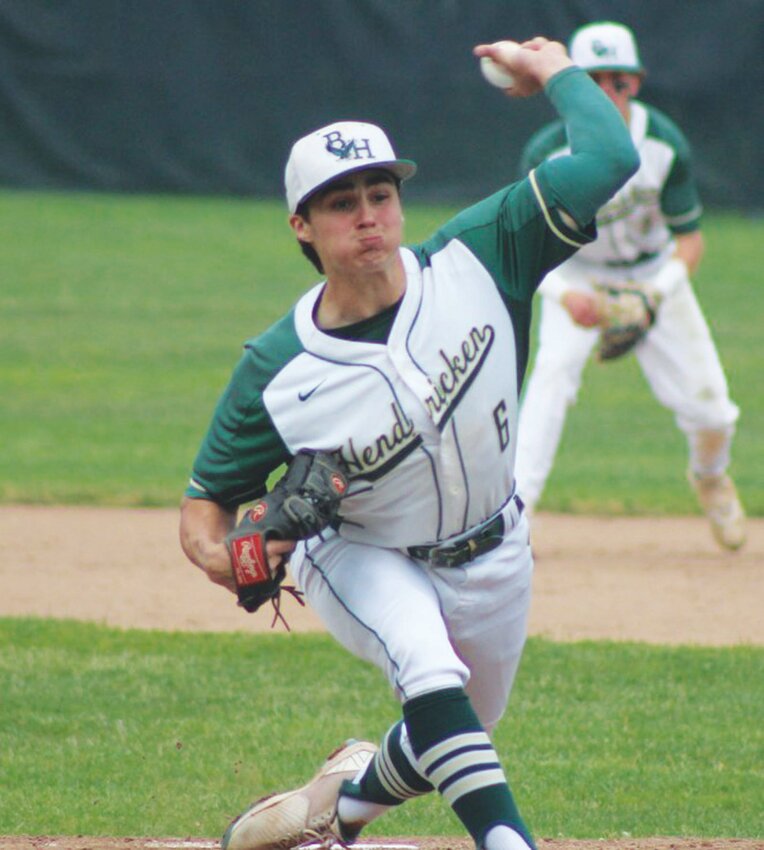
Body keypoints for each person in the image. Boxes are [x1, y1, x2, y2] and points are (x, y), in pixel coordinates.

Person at [179, 35, 639, 850]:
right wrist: (225, 558)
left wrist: (557, 72)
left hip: (497, 549)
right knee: (430, 673)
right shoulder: (278, 371)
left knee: (459, 728)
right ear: (302, 225)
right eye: (340, 200)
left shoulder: (481, 255)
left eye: (380, 192)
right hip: (360, 552)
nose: (367, 214)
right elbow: (202, 510)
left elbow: (608, 156)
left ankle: (341, 808)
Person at [514, 21, 746, 551]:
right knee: (550, 380)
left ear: (635, 83)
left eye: (616, 81)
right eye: (590, 81)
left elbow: (690, 242)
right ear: (566, 86)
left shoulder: (663, 144)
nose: (604, 94)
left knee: (711, 411)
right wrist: (563, 295)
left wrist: (652, 295)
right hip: (576, 276)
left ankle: (709, 476)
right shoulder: (546, 155)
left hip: (651, 275)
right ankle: (516, 519)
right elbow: (525, 249)